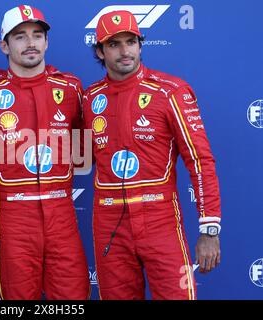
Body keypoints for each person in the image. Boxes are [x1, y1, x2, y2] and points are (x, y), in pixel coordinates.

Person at [82, 10, 221, 300]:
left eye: (131, 41)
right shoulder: (89, 98)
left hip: (160, 220)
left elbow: (199, 160)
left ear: (140, 45)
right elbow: (78, 157)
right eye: (114, 44)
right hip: (109, 223)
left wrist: (209, 228)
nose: (124, 51)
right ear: (100, 51)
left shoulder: (170, 91)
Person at [0, 4, 90, 299]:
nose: (30, 43)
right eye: (20, 36)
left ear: (47, 41)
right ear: (4, 45)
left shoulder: (71, 88)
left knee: (73, 296)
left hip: (62, 210)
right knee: (17, 297)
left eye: (37, 35)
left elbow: (85, 144)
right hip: (14, 213)